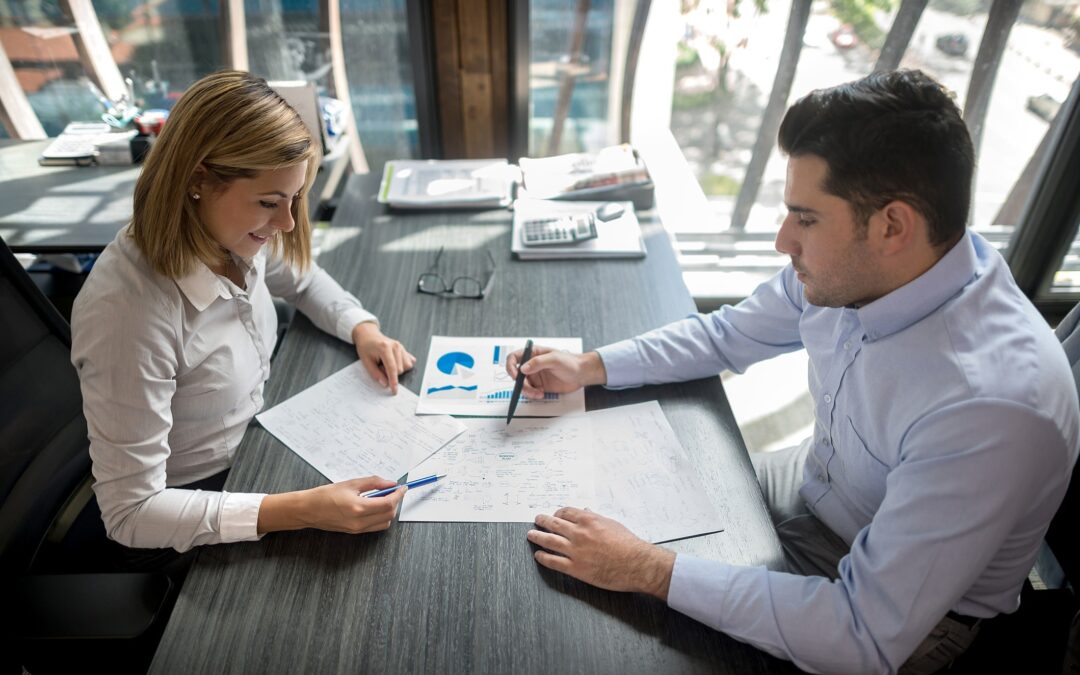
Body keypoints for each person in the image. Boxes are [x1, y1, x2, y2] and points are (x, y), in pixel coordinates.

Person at [507, 69, 1080, 674]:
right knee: (604, 502)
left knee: (612, 635)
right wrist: (590, 366)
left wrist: (646, 568)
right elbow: (727, 333)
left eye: (805, 218)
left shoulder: (988, 408)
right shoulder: (870, 268)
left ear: (892, 226)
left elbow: (861, 633)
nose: (784, 240)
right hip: (818, 490)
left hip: (901, 620)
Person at [70, 71, 416, 563]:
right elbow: (131, 513)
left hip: (260, 445)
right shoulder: (127, 314)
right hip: (195, 508)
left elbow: (301, 278)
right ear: (197, 179)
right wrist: (301, 510)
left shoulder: (227, 233)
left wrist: (361, 327)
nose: (287, 223)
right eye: (270, 203)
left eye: (294, 199)